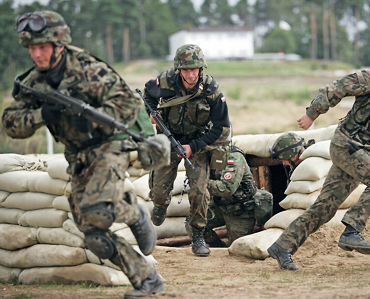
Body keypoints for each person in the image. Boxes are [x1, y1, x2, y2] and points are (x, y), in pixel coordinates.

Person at [3, 11, 169, 298]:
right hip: (77, 156)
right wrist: (42, 114)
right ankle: (147, 278)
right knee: (94, 236)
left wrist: (93, 119)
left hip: (110, 146)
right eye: (32, 49)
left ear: (59, 45)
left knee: (99, 212)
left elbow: (129, 103)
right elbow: (11, 123)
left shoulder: (88, 69)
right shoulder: (33, 83)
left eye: (43, 47)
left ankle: (132, 212)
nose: (37, 54)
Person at [267, 70, 370, 271]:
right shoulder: (367, 78)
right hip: (347, 146)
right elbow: (337, 88)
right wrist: (311, 113)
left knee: (325, 207)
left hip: (359, 151)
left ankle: (282, 246)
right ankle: (352, 231)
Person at [143, 44, 231, 257]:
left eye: (195, 69)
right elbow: (147, 94)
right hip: (169, 140)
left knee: (199, 192)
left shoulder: (211, 89)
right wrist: (152, 113)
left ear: (202, 69)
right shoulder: (165, 81)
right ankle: (160, 205)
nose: (191, 74)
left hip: (198, 144)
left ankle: (198, 235)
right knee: (159, 191)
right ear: (178, 69)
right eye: (186, 70)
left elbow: (223, 128)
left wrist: (194, 146)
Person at [186, 145, 273, 247]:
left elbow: (226, 188)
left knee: (237, 248)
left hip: (239, 208)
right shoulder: (204, 157)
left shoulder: (233, 156)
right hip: (219, 205)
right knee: (192, 223)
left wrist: (199, 182)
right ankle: (218, 246)